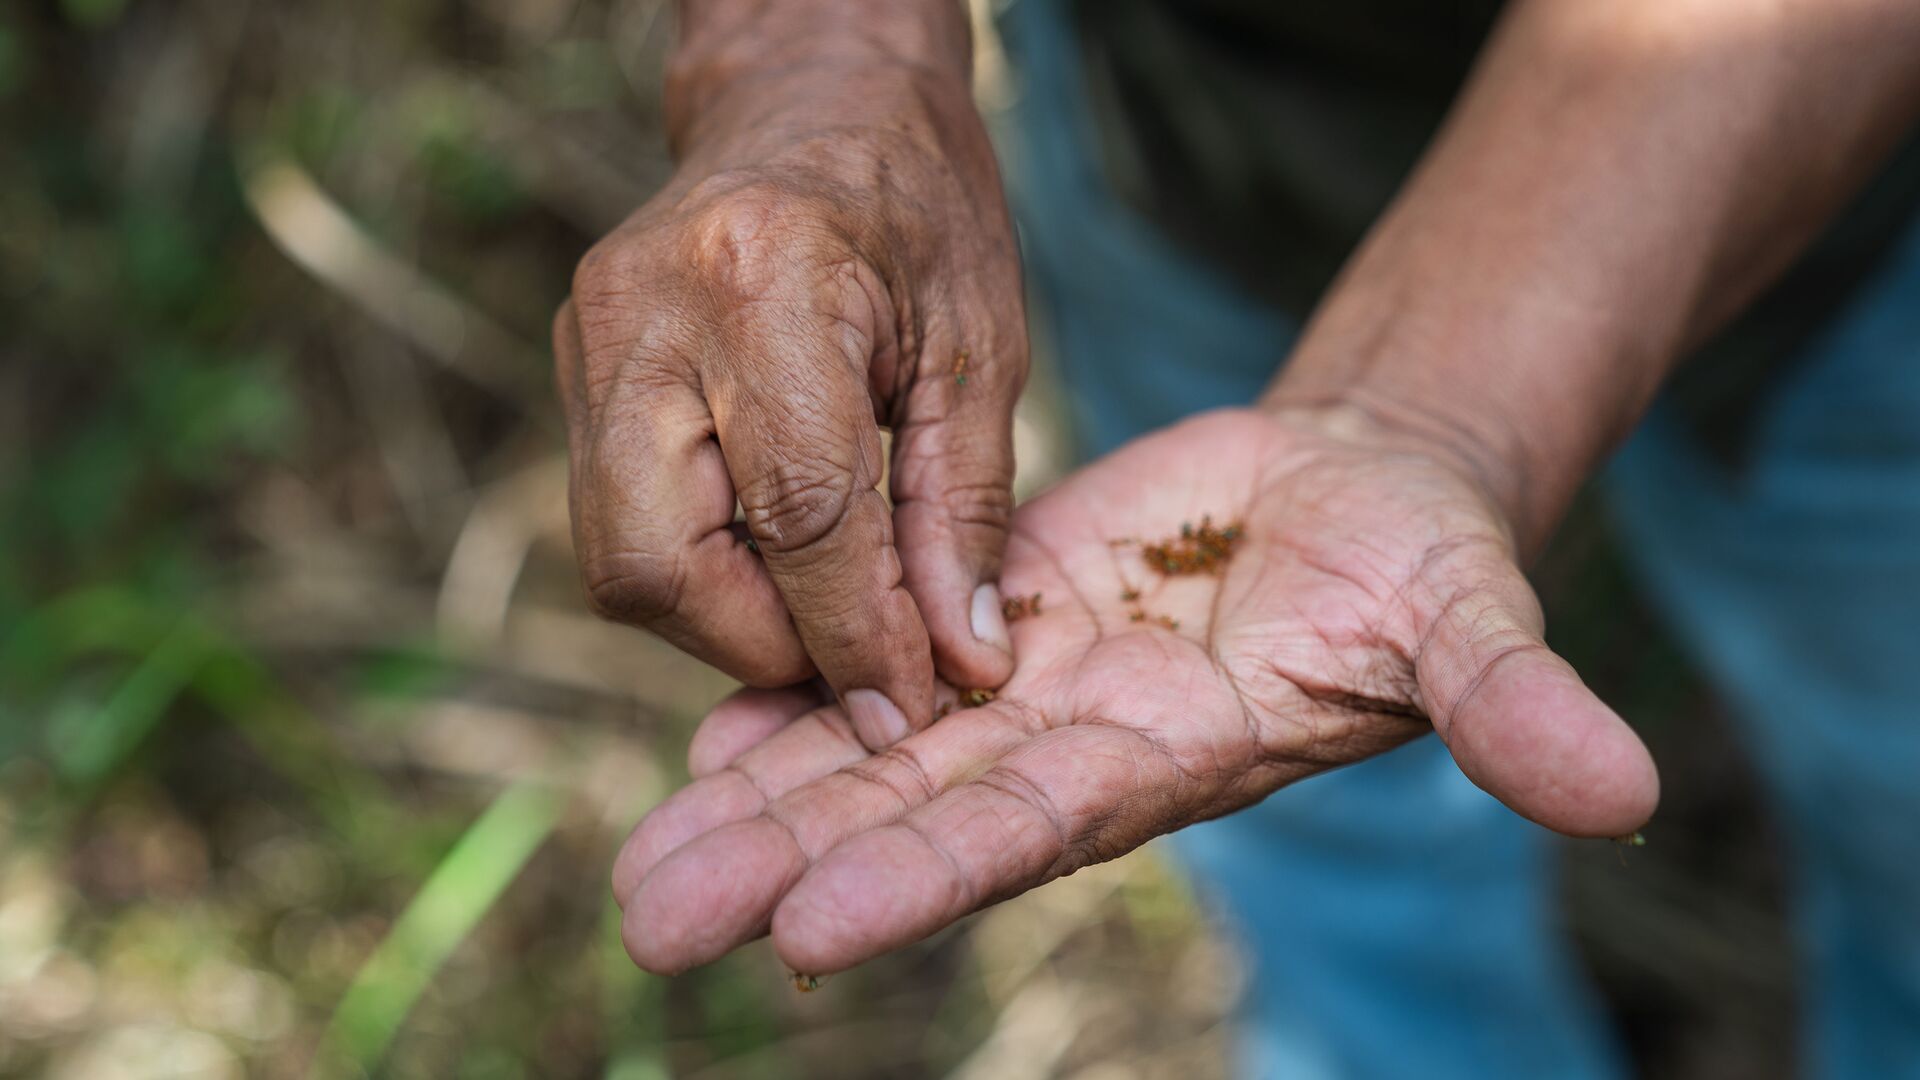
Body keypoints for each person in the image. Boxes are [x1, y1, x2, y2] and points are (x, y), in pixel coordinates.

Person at [550, 1, 1920, 1075]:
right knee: (1333, 854)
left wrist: (1415, 409)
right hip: (1192, 135)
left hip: (1830, 200)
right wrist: (817, 59)